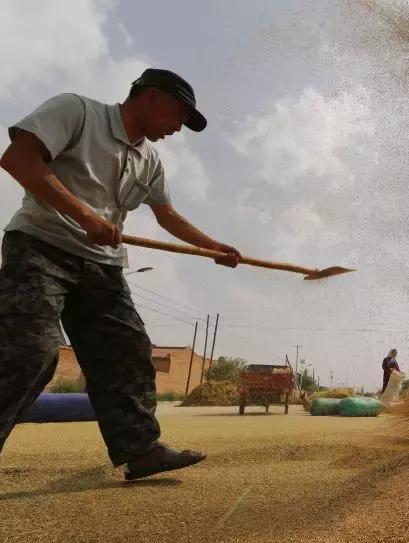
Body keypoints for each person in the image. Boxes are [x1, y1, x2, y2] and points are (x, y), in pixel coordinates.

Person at [0, 69, 242, 480]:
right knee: (29, 349)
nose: (178, 128)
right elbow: (17, 158)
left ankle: (140, 450)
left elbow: (168, 217)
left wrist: (213, 248)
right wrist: (83, 214)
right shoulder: (77, 111)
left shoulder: (150, 160)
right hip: (41, 247)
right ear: (151, 97)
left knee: (127, 351)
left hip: (102, 265)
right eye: (178, 115)